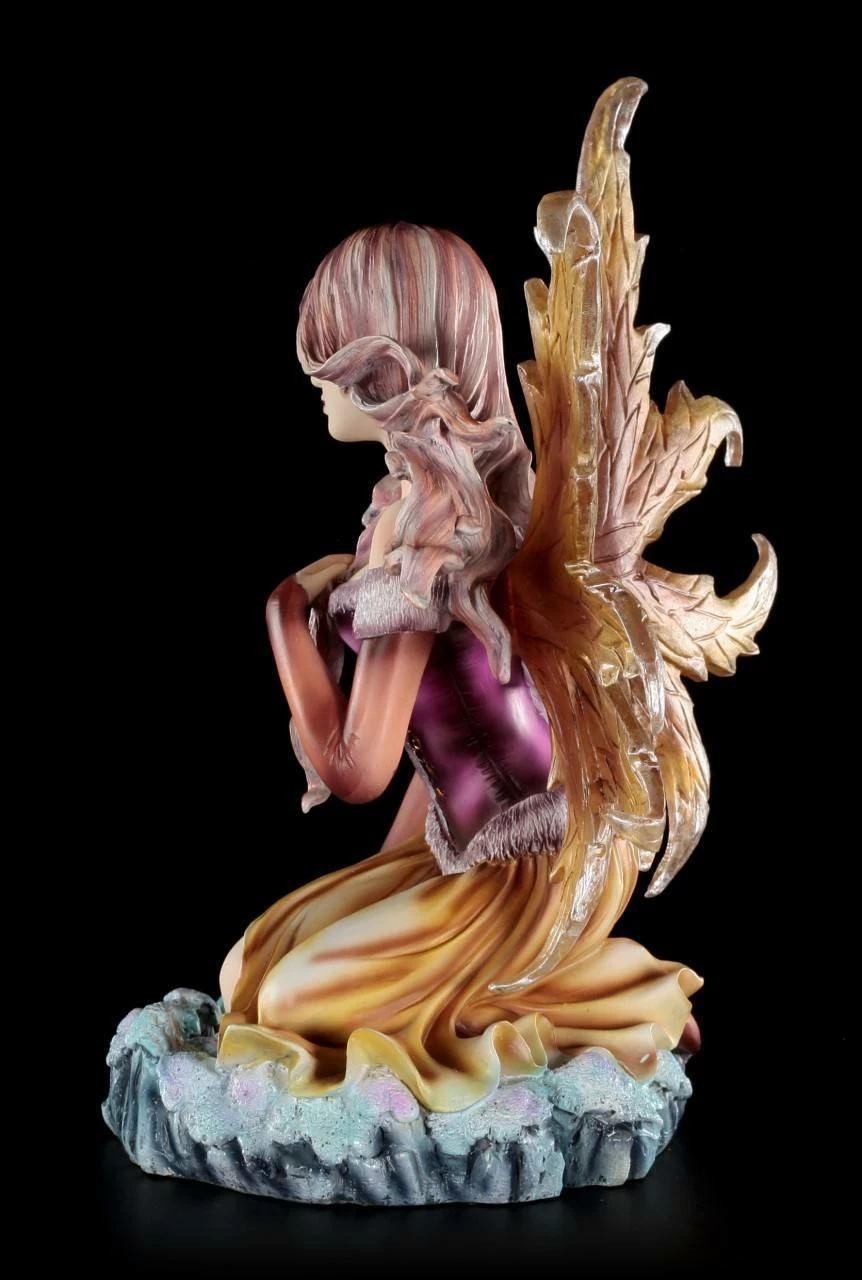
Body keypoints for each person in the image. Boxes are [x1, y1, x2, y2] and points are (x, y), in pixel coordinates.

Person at [216, 220, 703, 1113]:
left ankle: (613, 991)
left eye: (333, 358)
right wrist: (391, 879)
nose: (315, 380)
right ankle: (506, 977)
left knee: (286, 1002)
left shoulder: (434, 542)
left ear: (392, 369)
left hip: (531, 868)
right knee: (247, 969)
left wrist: (285, 617)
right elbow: (441, 740)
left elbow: (356, 769)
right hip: (466, 845)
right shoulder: (418, 506)